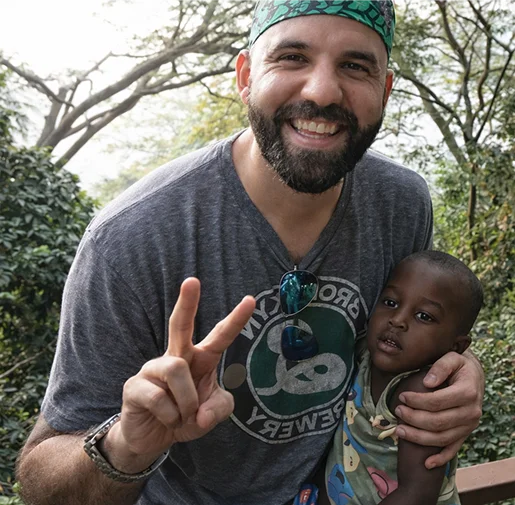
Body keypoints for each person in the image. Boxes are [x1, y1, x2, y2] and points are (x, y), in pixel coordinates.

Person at [16, 1, 484, 505]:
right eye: (292, 57)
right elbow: (41, 478)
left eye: (354, 66)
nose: (323, 90)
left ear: (385, 91)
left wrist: (456, 370)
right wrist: (126, 445)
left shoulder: (400, 204)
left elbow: (410, 333)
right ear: (245, 75)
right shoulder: (133, 239)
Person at [303, 251, 483, 505]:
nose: (397, 321)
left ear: (456, 347)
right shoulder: (366, 354)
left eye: (424, 316)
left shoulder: (422, 394)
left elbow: (417, 494)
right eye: (390, 302)